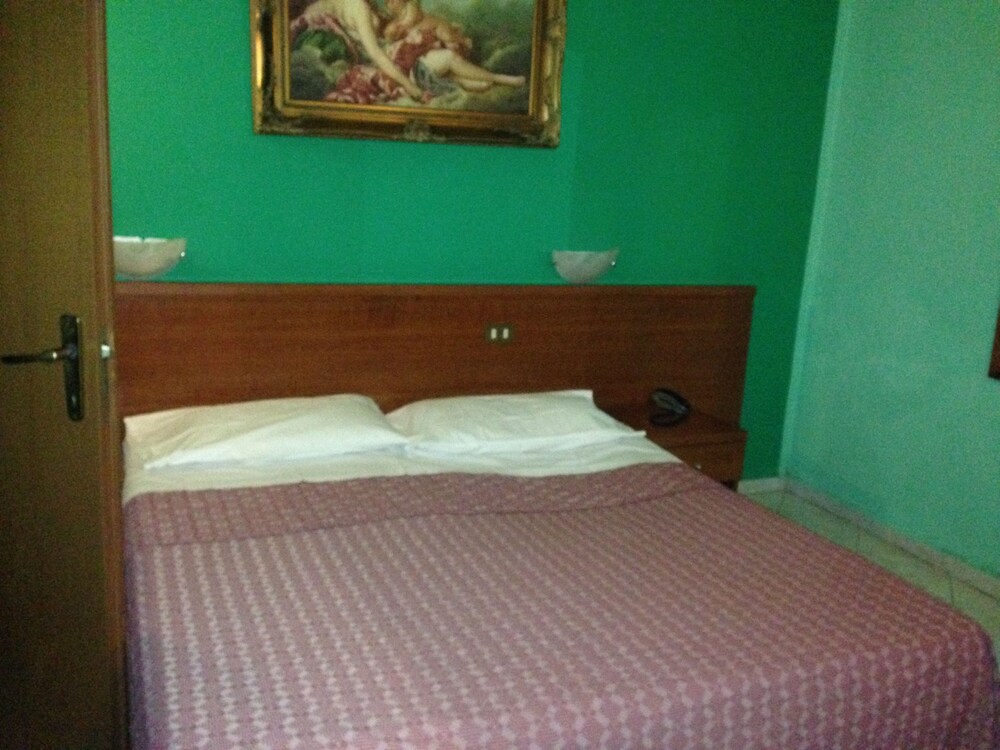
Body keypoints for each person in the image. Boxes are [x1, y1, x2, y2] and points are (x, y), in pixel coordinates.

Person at [382, 0, 526, 94]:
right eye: (388, 1)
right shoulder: (394, 28)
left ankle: (470, 81)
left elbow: (448, 38)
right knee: (448, 57)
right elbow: (394, 56)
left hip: (435, 66)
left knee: (482, 84)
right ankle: (502, 79)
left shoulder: (429, 20)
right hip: (413, 72)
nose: (390, 3)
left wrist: (459, 40)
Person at [292, 0, 424, 100]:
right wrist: (409, 86)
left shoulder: (366, 6)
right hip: (323, 49)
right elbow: (375, 53)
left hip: (317, 44)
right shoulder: (359, 6)